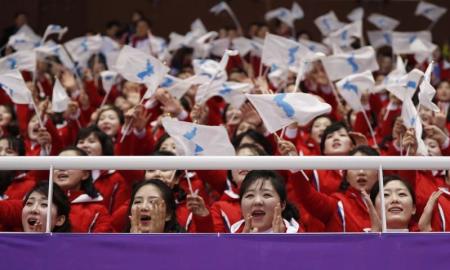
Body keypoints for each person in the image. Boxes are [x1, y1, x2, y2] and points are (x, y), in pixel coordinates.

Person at [284, 145, 379, 232]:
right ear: (346, 175)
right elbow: (306, 194)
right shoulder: (337, 205)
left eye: (367, 166)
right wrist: (293, 163)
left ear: (379, 173)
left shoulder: (390, 202)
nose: (361, 172)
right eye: (355, 167)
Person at [54, 147, 113, 232]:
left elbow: (101, 243)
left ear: (85, 174)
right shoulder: (40, 202)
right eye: (58, 164)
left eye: (69, 163)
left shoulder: (98, 210)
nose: (61, 169)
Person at [230, 170, 301, 233]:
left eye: (266, 195)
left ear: (282, 205)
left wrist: (280, 242)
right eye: (250, 195)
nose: (257, 201)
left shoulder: (299, 239)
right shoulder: (229, 239)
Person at [0, 182, 71, 232]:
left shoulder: (69, 251)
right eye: (29, 203)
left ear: (59, 220)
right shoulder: (7, 245)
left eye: (44, 205)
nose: (33, 209)